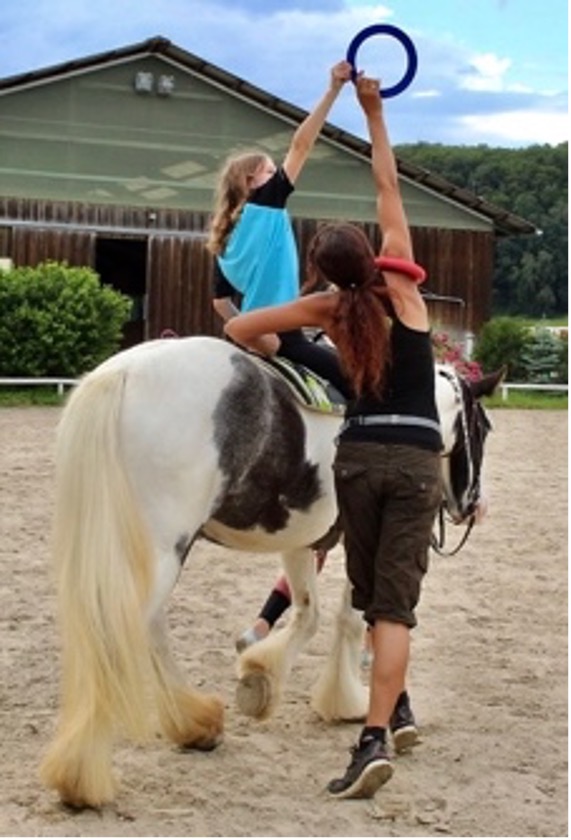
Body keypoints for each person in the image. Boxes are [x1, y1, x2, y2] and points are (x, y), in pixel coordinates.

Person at [224, 75, 442, 799]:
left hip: (355, 458)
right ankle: (378, 732)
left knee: (365, 587)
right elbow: (387, 184)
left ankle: (389, 716)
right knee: (393, 606)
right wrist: (374, 114)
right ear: (376, 258)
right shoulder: (401, 290)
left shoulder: (327, 310)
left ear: (322, 272)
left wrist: (304, 335)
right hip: (415, 459)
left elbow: (238, 329)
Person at [206, 60, 353, 400]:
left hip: (253, 333)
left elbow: (221, 303)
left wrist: (252, 333)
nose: (277, 177)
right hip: (285, 333)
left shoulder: (224, 238)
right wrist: (333, 90)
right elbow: (301, 146)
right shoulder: (267, 206)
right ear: (250, 182)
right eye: (270, 172)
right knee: (355, 381)